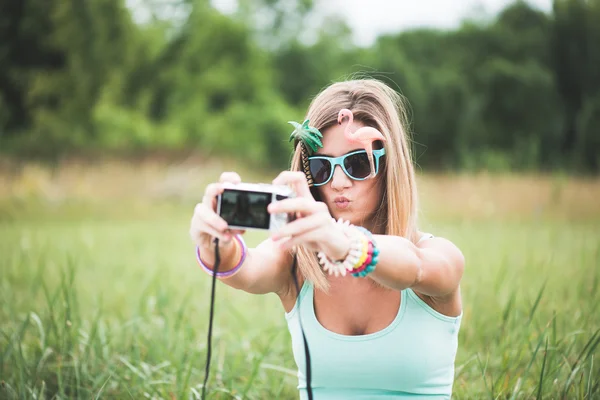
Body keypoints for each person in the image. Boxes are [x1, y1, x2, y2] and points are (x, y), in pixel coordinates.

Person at [189, 79, 465, 399]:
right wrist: (216, 245)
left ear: (390, 166)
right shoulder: (296, 261)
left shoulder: (438, 254)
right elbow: (247, 268)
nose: (338, 182)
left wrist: (347, 245)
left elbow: (414, 268)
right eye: (322, 168)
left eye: (357, 163)